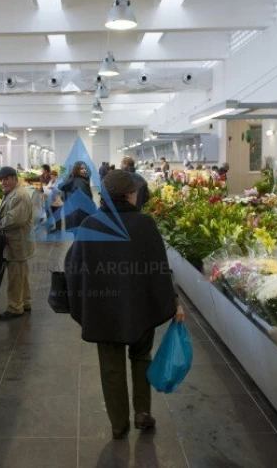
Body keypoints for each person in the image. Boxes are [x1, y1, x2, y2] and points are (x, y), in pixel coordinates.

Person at [64, 170, 185, 439]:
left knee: (111, 366)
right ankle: (142, 411)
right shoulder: (145, 224)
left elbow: (73, 267)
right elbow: (160, 268)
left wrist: (82, 302)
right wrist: (173, 301)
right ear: (130, 194)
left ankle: (118, 424)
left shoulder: (90, 225)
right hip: (141, 308)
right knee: (141, 357)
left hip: (103, 311)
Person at [0, 166, 35, 320]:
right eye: (1, 179)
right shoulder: (12, 192)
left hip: (17, 242)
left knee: (15, 276)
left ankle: (15, 308)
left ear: (15, 179)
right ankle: (25, 302)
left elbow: (14, 220)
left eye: (6, 179)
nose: (3, 182)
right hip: (17, 241)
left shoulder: (19, 195)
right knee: (21, 274)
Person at [59, 161, 93, 231]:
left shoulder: (74, 178)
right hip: (80, 212)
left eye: (85, 168)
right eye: (81, 169)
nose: (84, 170)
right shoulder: (79, 181)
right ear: (76, 169)